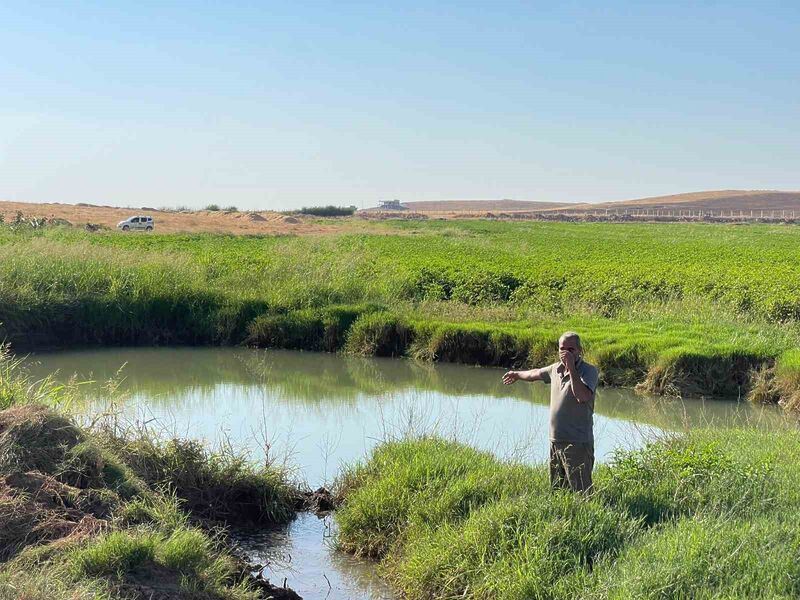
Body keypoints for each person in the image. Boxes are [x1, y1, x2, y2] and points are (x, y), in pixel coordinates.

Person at [502, 331, 598, 493]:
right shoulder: (555, 369)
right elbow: (535, 373)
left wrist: (572, 369)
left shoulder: (588, 371)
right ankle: (562, 517)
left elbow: (582, 396)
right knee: (558, 491)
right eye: (562, 349)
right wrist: (517, 374)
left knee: (582, 493)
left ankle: (587, 517)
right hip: (555, 441)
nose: (565, 353)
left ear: (580, 350)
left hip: (577, 443)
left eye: (571, 350)